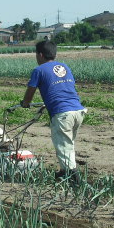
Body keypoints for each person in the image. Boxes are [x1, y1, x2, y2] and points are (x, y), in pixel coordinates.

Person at [21, 40, 86, 183]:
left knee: (63, 146)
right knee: (68, 145)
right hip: (78, 110)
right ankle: (64, 172)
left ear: (40, 54)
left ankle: (74, 179)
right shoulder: (64, 67)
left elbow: (30, 91)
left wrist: (26, 103)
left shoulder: (39, 70)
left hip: (62, 113)